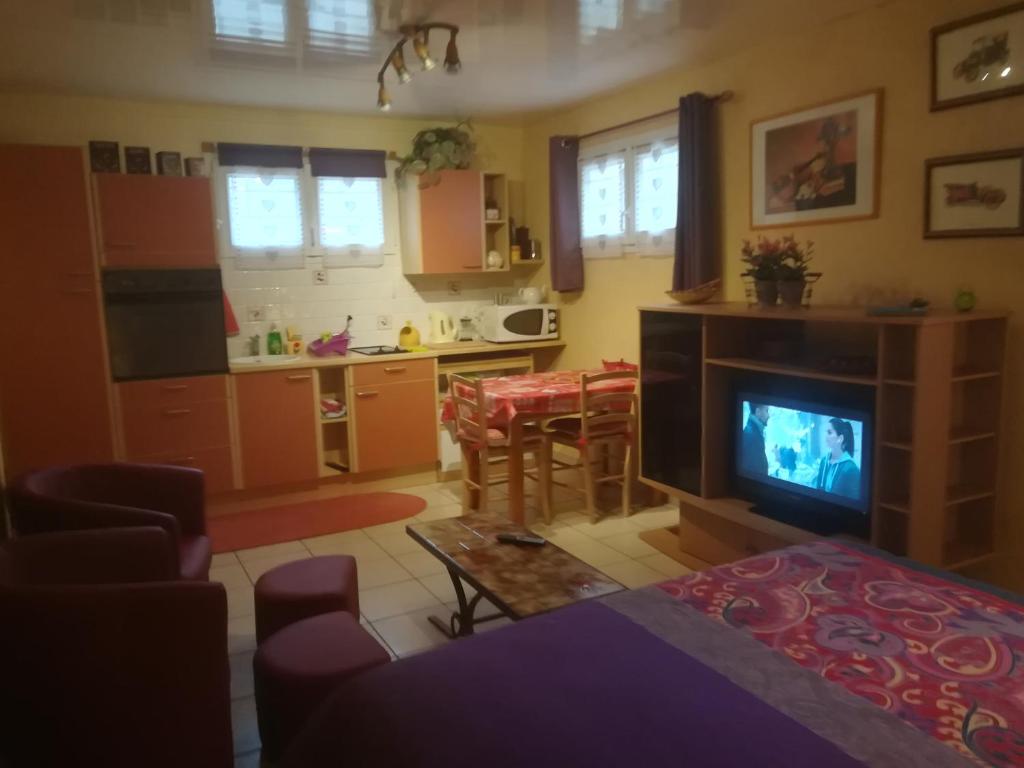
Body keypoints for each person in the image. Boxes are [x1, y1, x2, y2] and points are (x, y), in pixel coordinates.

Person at [815, 418, 861, 499]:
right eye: (826, 432)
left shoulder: (851, 468)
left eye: (829, 432)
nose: (826, 436)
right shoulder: (824, 461)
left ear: (840, 439)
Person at [741, 403, 770, 476]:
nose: (769, 415)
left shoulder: (753, 431)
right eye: (767, 411)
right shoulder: (751, 435)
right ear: (758, 412)